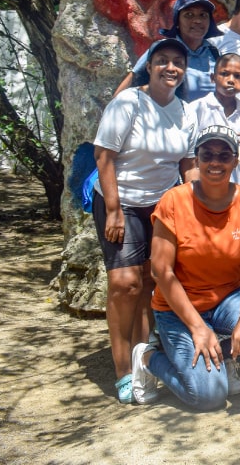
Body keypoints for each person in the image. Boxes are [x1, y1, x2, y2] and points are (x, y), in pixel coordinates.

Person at [129, 125, 240, 409]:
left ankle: (222, 355)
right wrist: (198, 327)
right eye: (207, 155)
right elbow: (161, 272)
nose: (215, 162)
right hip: (178, 309)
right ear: (196, 160)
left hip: (227, 299)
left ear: (235, 161)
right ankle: (148, 358)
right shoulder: (174, 201)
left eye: (224, 156)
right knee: (208, 397)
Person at [92, 37, 197, 403]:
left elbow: (187, 165)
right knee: (125, 284)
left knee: (153, 283)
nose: (171, 68)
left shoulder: (186, 111)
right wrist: (114, 209)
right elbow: (103, 156)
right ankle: (123, 370)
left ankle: (144, 361)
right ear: (150, 67)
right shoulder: (129, 102)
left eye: (177, 62)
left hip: (160, 204)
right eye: (163, 61)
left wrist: (198, 209)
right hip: (118, 200)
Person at [115, 0, 221, 102]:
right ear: (177, 22)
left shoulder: (215, 53)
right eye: (189, 15)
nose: (197, 20)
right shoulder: (162, 50)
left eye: (203, 15)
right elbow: (121, 96)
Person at [186, 53, 240, 187]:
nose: (231, 80)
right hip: (206, 189)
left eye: (237, 76)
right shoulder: (197, 109)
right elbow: (188, 159)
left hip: (238, 191)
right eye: (224, 74)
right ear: (213, 78)